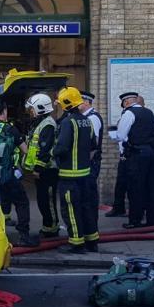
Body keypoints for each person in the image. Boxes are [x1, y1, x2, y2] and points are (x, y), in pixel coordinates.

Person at [0, 100, 37, 247]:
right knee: (22, 202)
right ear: (5, 111)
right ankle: (23, 235)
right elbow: (26, 151)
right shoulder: (11, 130)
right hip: (7, 176)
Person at [54, 87, 98, 254]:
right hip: (85, 175)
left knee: (71, 209)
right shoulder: (87, 121)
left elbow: (62, 147)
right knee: (86, 208)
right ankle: (92, 241)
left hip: (69, 176)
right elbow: (94, 145)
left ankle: (76, 244)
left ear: (66, 104)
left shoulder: (68, 122)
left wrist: (52, 152)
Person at [114, 91, 154, 229]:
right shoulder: (149, 112)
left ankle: (135, 220)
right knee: (151, 187)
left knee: (136, 188)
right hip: (152, 153)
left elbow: (121, 135)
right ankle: (153, 219)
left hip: (137, 154)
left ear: (126, 102)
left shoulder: (128, 113)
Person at [24, 92, 60, 239]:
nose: (30, 112)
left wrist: (38, 169)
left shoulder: (48, 125)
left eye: (32, 109)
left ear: (40, 108)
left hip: (48, 171)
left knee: (48, 201)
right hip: (42, 170)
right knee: (42, 200)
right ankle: (47, 226)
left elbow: (45, 150)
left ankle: (52, 229)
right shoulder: (40, 123)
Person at [79, 90, 104, 246]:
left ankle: (91, 233)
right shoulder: (85, 118)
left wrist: (84, 162)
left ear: (87, 102)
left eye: (79, 101)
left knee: (88, 199)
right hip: (88, 164)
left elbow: (92, 145)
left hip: (90, 164)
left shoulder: (92, 118)